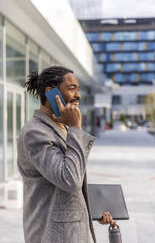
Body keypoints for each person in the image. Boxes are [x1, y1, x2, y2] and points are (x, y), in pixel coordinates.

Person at [17, 66, 116, 243]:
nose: (78, 95)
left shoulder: (62, 128)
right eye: (72, 88)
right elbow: (69, 179)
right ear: (50, 92)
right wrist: (76, 128)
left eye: (78, 89)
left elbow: (66, 186)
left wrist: (94, 210)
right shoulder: (35, 133)